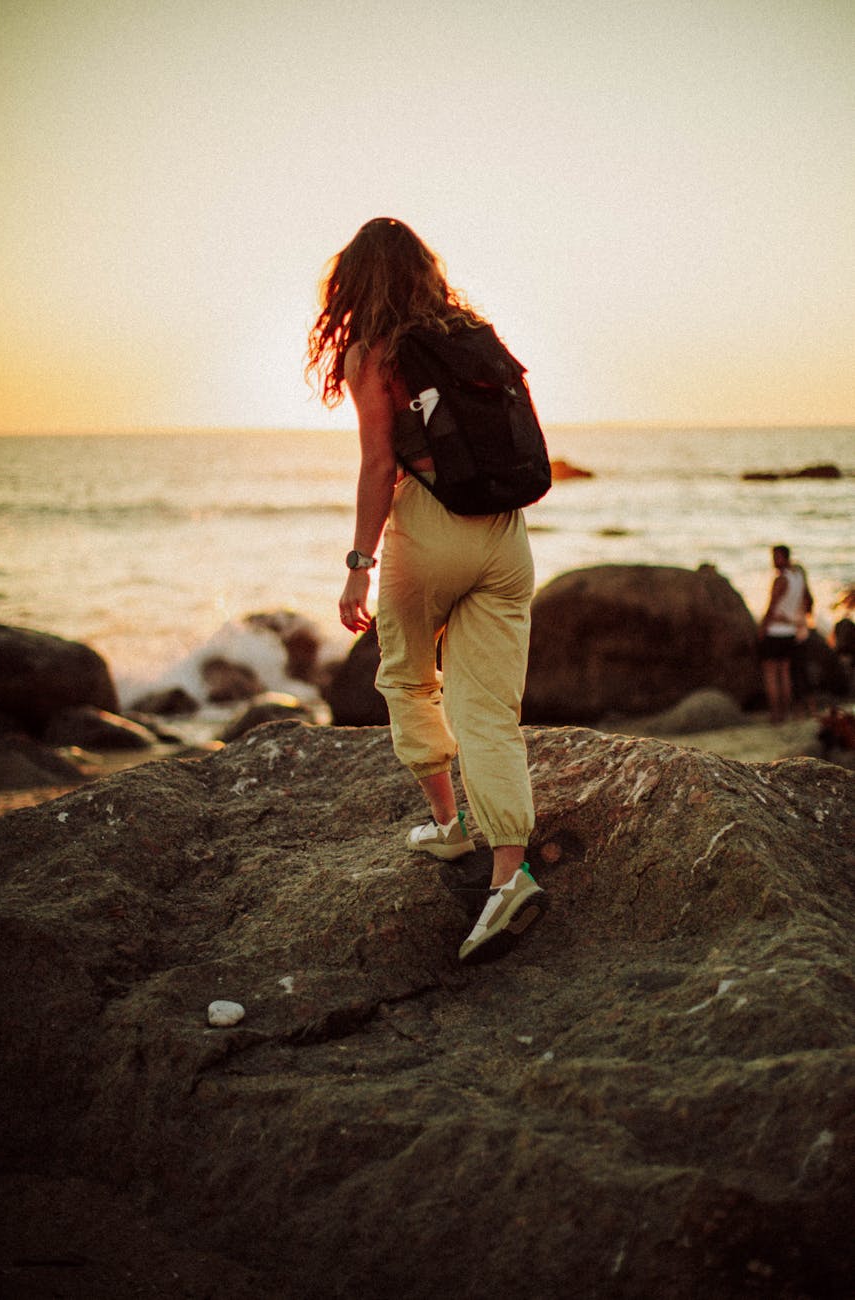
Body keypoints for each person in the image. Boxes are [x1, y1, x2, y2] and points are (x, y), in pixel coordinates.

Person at [306, 217, 547, 964]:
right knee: (489, 711)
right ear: (424, 271)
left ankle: (448, 826)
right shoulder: (470, 334)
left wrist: (359, 563)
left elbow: (381, 464)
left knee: (408, 675)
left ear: (354, 283)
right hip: (505, 535)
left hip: (430, 528)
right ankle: (509, 875)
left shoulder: (372, 351)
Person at [758, 544, 814, 723]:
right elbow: (807, 601)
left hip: (775, 631)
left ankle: (776, 713)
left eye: (776, 557)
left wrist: (762, 627)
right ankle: (786, 711)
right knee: (785, 673)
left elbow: (772, 606)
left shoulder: (781, 580)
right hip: (790, 631)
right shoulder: (798, 576)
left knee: (771, 673)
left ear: (785, 557)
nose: (773, 562)